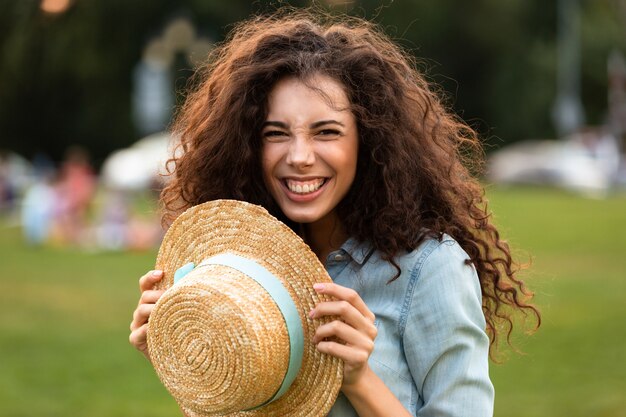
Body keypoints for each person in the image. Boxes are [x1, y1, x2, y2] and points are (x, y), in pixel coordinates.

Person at [129, 9, 540, 417]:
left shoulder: (430, 269)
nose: (300, 157)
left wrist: (360, 379)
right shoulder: (236, 268)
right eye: (276, 133)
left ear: (370, 141)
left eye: (326, 131)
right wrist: (187, 357)